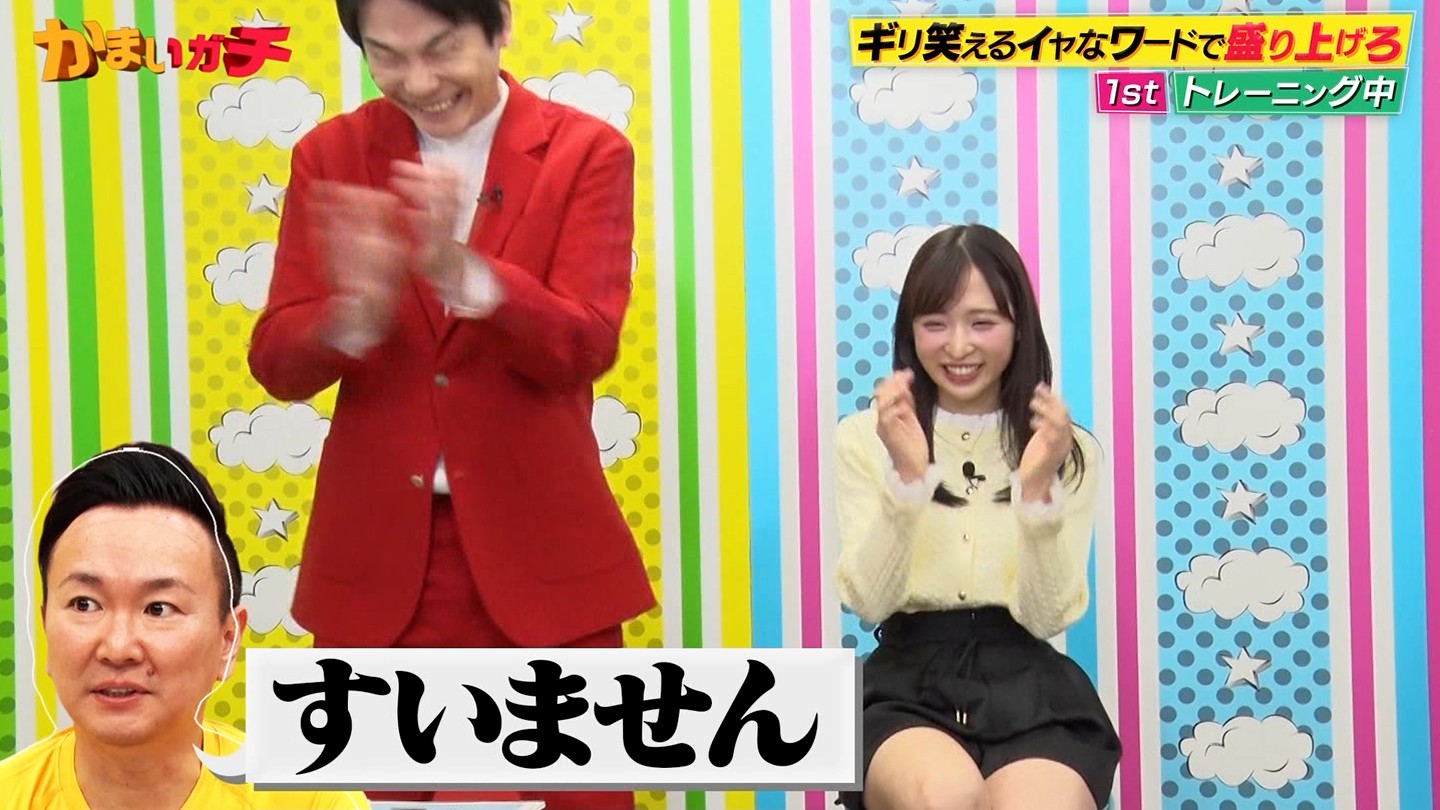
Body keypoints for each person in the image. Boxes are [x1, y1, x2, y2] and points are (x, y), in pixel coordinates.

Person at [247, 0, 653, 806]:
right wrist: (354, 313)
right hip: (379, 566)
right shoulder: (331, 155)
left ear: (499, 26)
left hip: (545, 559)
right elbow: (278, 365)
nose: (419, 81)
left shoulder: (586, 152)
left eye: (441, 48)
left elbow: (583, 344)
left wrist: (459, 269)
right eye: (387, 56)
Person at [832, 224, 1122, 810]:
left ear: (1018, 328)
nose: (958, 346)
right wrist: (908, 480)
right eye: (936, 324)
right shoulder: (866, 438)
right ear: (910, 331)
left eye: (982, 323)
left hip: (1032, 690)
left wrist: (1035, 492)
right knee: (945, 795)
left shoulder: (1068, 450)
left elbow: (1047, 616)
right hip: (905, 686)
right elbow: (869, 602)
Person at [0, 442, 369, 810]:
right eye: (85, 604)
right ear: (45, 627)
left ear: (227, 640)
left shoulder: (311, 800)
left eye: (158, 609)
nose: (118, 648)